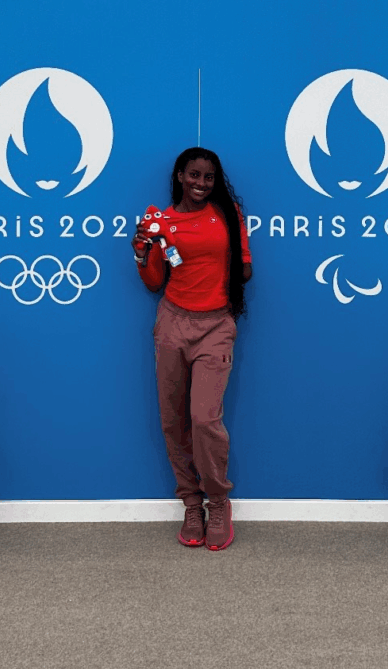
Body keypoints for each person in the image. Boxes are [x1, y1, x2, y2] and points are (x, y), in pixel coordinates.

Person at [132, 147, 253, 551]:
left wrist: (222, 257)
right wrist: (143, 250)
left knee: (204, 419)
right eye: (194, 176)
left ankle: (218, 502)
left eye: (208, 178)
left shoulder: (229, 215)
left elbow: (246, 270)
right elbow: (153, 281)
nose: (201, 184)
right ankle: (191, 503)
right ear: (180, 176)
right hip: (171, 324)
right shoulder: (163, 221)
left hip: (216, 325)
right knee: (173, 420)